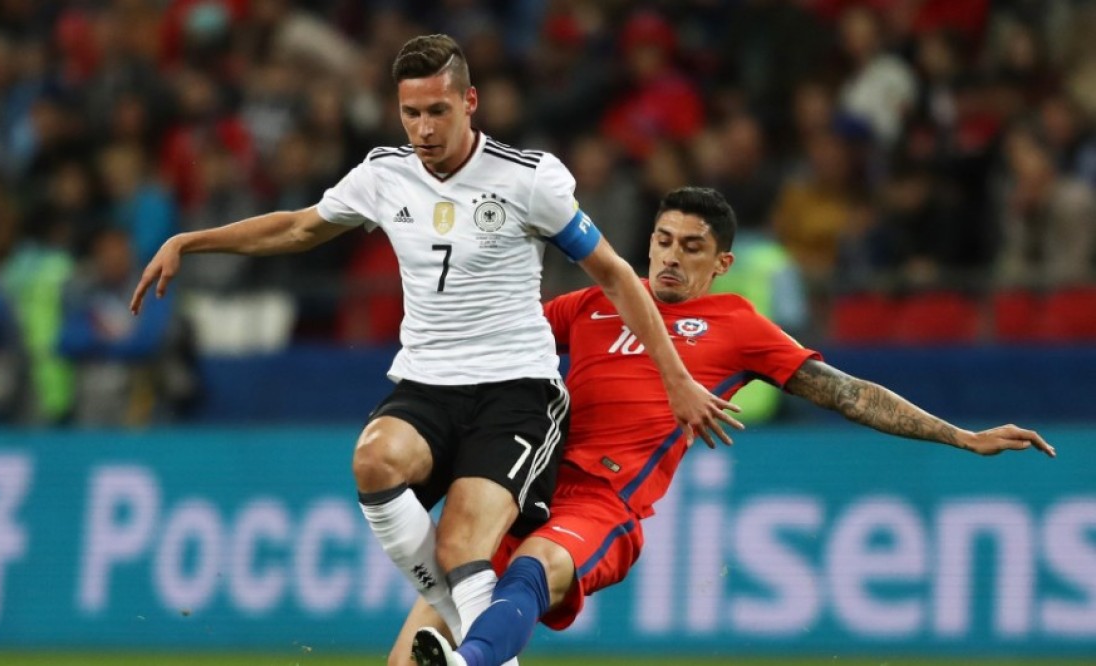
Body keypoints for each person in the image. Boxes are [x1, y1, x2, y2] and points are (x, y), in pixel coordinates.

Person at [129, 35, 740, 650]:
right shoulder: (384, 175)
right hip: (428, 383)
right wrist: (190, 241)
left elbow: (614, 275)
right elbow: (296, 228)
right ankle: (479, 650)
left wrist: (675, 377)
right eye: (411, 113)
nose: (423, 128)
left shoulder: (529, 179)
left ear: (469, 102)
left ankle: (471, 649)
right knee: (374, 460)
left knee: (461, 546)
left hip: (515, 391)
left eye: (437, 111)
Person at [406, 186, 1056, 666]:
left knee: (535, 567)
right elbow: (491, 342)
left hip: (603, 502)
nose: (671, 257)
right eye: (663, 240)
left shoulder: (737, 324)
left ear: (721, 263)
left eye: (692, 248)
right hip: (522, 484)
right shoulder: (596, 302)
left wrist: (960, 436)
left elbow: (847, 393)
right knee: (410, 647)